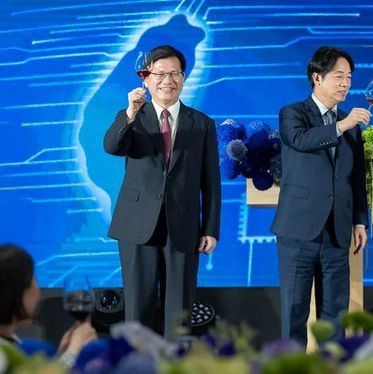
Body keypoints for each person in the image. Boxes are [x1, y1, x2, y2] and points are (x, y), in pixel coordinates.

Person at [103, 45, 221, 337]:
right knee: (137, 305)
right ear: (146, 78)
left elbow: (211, 181)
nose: (167, 80)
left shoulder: (202, 123)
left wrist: (210, 228)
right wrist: (129, 113)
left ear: (183, 78)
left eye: (174, 73)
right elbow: (112, 147)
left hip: (182, 225)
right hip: (137, 224)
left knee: (179, 310)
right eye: (159, 73)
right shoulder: (133, 117)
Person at [271, 46, 369, 347]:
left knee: (335, 314)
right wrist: (341, 125)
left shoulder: (350, 126)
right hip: (299, 230)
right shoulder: (293, 113)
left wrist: (360, 221)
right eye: (339, 76)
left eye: (349, 77)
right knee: (294, 310)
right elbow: (300, 140)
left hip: (337, 232)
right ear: (317, 77)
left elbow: (357, 178)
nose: (346, 84)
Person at [0, 244, 97, 367]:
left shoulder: (10, 342)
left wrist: (62, 354)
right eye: (33, 281)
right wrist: (73, 352)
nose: (38, 291)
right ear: (15, 292)